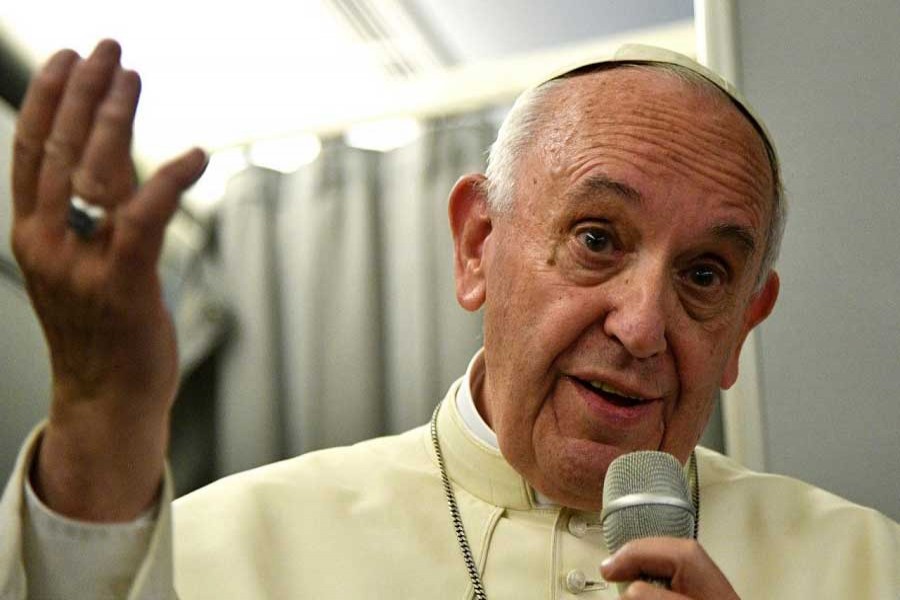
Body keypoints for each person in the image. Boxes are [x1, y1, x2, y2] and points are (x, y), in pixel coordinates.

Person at [0, 39, 897, 600]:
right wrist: (101, 407)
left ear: (744, 326)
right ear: (476, 245)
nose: (640, 324)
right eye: (596, 238)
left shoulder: (866, 568)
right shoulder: (227, 551)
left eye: (704, 274)